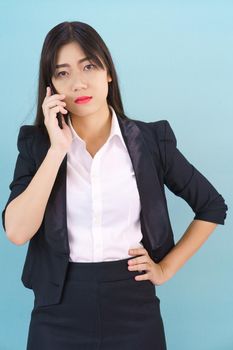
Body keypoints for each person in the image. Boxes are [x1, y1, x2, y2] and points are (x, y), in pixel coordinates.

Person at [1, 21, 228, 350]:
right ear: (50, 86)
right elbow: (17, 233)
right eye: (62, 73)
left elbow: (211, 206)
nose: (79, 83)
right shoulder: (37, 145)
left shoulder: (150, 141)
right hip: (58, 306)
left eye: (89, 66)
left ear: (108, 72)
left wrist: (165, 269)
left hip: (133, 303)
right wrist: (57, 150)